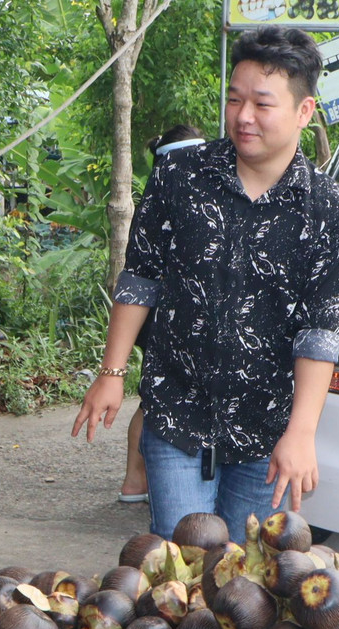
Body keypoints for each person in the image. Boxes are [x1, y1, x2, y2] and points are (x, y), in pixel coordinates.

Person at [73, 26, 339, 539]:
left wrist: (302, 432)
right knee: (180, 567)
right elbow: (141, 276)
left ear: (304, 112)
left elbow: (320, 333)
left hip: (268, 428)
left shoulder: (330, 210)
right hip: (177, 413)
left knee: (246, 583)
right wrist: (111, 372)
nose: (243, 116)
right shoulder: (179, 175)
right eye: (234, 99)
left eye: (261, 104)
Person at [118, 124, 207, 505]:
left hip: (164, 317)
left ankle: (134, 480)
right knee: (157, 399)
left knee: (152, 398)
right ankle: (138, 478)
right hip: (162, 317)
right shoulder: (171, 195)